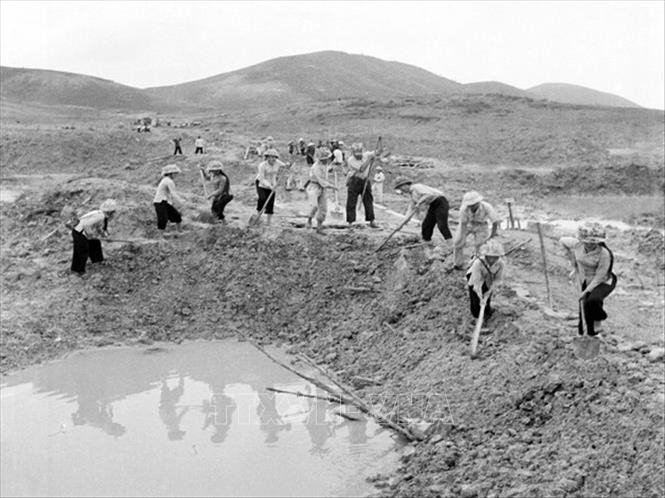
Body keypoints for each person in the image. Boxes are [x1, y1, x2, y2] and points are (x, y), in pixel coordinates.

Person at [560, 224, 617, 336]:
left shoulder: (604, 254)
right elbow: (562, 241)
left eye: (593, 242)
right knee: (584, 308)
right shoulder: (577, 245)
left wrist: (585, 291)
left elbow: (600, 277)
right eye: (586, 241)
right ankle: (585, 336)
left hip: (603, 281)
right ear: (581, 239)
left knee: (593, 300)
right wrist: (573, 263)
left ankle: (598, 320)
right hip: (585, 278)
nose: (589, 244)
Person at [393, 177, 452, 245]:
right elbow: (410, 210)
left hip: (440, 201)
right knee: (426, 224)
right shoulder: (412, 196)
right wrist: (402, 224)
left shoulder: (416, 187)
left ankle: (450, 243)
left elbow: (429, 194)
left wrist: (420, 201)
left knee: (441, 225)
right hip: (433, 204)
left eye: (401, 187)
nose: (401, 190)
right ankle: (427, 241)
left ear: (405, 185)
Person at [452, 191, 501, 269]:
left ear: (478, 202)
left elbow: (495, 222)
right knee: (458, 242)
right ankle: (458, 263)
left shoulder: (487, 207)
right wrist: (462, 238)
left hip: (482, 225)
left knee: (480, 245)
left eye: (473, 205)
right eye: (470, 205)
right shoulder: (464, 209)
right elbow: (463, 225)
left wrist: (492, 235)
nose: (471, 207)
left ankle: (476, 264)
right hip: (468, 223)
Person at [70, 199, 117, 275]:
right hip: (79, 233)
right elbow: (86, 225)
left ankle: (97, 261)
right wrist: (91, 235)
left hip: (83, 232)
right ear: (110, 212)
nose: (114, 213)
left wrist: (105, 236)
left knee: (95, 243)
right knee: (82, 251)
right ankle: (78, 271)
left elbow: (98, 228)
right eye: (113, 212)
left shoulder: (101, 216)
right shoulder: (100, 216)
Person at [466, 240, 505, 321]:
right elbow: (476, 283)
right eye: (490, 256)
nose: (492, 260)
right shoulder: (478, 263)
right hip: (474, 275)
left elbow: (498, 280)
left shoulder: (501, 264)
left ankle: (487, 312)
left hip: (489, 277)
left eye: (495, 257)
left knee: (487, 294)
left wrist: (489, 292)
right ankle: (476, 317)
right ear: (486, 255)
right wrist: (480, 297)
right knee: (475, 298)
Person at [345, 142, 382, 228]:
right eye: (356, 153)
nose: (358, 155)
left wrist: (379, 143)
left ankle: (371, 221)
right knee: (351, 202)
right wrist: (369, 159)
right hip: (354, 181)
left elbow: (378, 152)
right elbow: (362, 169)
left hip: (365, 181)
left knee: (368, 200)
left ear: (362, 151)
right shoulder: (351, 160)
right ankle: (350, 222)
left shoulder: (366, 154)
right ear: (353, 153)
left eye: (360, 152)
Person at [305, 147, 338, 234]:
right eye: (326, 159)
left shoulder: (325, 165)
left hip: (322, 189)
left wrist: (331, 169)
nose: (327, 160)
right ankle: (309, 220)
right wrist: (332, 186)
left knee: (323, 208)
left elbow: (327, 171)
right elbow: (322, 181)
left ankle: (319, 227)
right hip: (314, 186)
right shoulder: (316, 167)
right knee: (314, 206)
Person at [255, 148, 285, 226]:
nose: (272, 159)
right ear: (267, 157)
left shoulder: (277, 163)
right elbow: (262, 178)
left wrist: (288, 166)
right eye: (270, 157)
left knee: (271, 202)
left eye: (274, 157)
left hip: (273, 183)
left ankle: (268, 222)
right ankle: (258, 217)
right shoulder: (262, 165)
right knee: (262, 199)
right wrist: (269, 186)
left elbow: (285, 166)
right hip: (261, 183)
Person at [153, 164, 185, 235]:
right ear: (170, 173)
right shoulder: (168, 181)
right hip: (160, 202)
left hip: (165, 202)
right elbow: (173, 193)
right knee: (163, 219)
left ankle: (179, 231)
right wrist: (181, 201)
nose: (176, 175)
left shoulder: (166, 180)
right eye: (175, 173)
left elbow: (169, 194)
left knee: (177, 216)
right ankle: (160, 236)